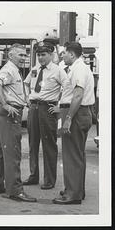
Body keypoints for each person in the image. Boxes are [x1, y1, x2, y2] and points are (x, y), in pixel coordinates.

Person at [0, 43, 37, 202]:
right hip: (9, 115)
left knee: (1, 152)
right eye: (20, 55)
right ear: (10, 55)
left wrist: (24, 100)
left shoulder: (13, 69)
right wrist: (5, 104)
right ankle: (15, 191)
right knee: (13, 153)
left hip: (4, 114)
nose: (24, 58)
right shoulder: (9, 69)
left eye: (25, 55)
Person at [51, 42, 95, 205]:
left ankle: (72, 195)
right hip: (79, 112)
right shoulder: (79, 67)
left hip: (75, 113)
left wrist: (68, 119)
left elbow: (77, 95)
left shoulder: (78, 69)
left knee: (71, 155)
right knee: (77, 154)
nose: (62, 56)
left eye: (64, 53)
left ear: (71, 54)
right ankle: (76, 189)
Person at [23, 41, 68, 190]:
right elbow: (26, 83)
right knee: (32, 143)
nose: (40, 58)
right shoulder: (35, 69)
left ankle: (49, 179)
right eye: (38, 55)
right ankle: (33, 175)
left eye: (43, 54)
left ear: (51, 54)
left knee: (49, 145)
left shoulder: (58, 70)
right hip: (34, 108)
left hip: (47, 109)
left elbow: (68, 88)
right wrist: (27, 99)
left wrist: (59, 106)